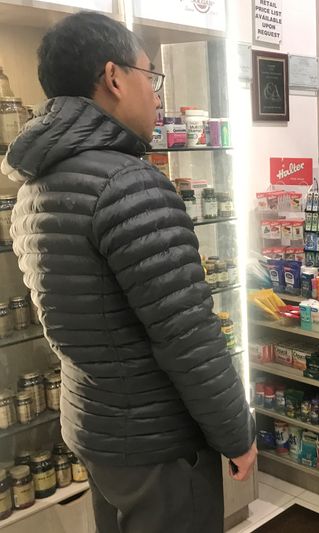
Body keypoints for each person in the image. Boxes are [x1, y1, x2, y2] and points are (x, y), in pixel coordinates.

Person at [0, 13, 255, 533]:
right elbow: (188, 336)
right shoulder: (129, 183)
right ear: (114, 78)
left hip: (95, 426)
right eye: (151, 77)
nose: (158, 96)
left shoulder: (36, 186)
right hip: (156, 440)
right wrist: (237, 433)